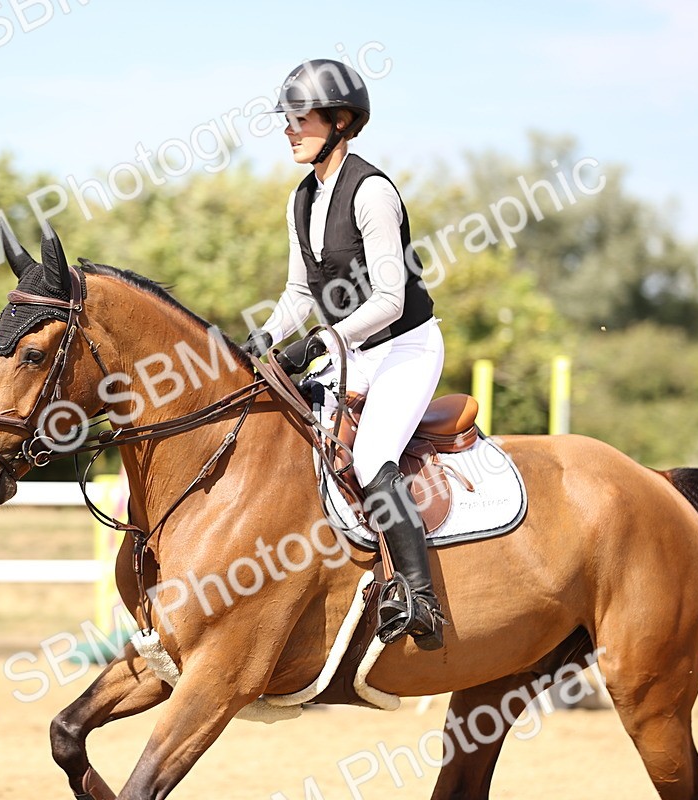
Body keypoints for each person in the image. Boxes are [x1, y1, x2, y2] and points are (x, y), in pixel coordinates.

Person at [241, 59, 446, 650]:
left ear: (340, 122)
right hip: (353, 351)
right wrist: (265, 337)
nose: (288, 130)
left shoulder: (372, 191)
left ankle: (421, 599)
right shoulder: (301, 198)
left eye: (300, 119)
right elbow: (299, 292)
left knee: (373, 454)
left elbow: (390, 299)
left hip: (404, 347)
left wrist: (322, 341)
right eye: (288, 120)